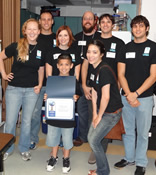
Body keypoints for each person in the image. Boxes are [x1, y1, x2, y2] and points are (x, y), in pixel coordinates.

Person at [114, 15, 156, 175]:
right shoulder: (125, 48)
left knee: (142, 133)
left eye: (141, 26)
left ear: (147, 28)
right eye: (135, 26)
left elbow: (153, 76)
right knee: (128, 131)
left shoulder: (155, 48)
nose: (138, 29)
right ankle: (129, 158)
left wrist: (136, 94)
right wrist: (129, 94)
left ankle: (141, 162)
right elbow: (121, 74)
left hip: (145, 98)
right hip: (126, 97)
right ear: (131, 29)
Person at [0, 18, 45, 161]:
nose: (32, 32)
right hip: (14, 90)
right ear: (25, 31)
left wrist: (40, 84)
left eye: (35, 29)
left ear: (39, 31)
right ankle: (7, 148)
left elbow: (41, 69)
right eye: (29, 29)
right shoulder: (17, 46)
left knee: (27, 121)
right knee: (11, 121)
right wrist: (4, 75)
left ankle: (24, 148)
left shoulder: (41, 48)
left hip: (32, 91)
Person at [87, 40, 123, 175]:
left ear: (102, 54)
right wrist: (95, 114)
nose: (91, 55)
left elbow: (106, 97)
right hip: (102, 111)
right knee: (92, 138)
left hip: (111, 112)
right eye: (89, 52)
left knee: (94, 141)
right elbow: (94, 92)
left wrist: (99, 116)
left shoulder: (105, 70)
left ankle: (103, 171)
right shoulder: (93, 68)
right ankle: (101, 169)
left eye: (95, 52)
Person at [45, 54, 81, 173]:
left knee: (67, 138)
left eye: (66, 64)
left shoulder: (74, 81)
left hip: (67, 117)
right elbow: (48, 96)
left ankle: (66, 158)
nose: (64, 67)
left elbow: (78, 94)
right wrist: (46, 97)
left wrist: (76, 97)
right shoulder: (52, 80)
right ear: (57, 66)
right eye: (61, 64)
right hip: (54, 115)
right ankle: (53, 157)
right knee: (53, 136)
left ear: (71, 66)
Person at [73, 11, 100, 149]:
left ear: (95, 21)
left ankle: (93, 137)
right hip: (81, 82)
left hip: (97, 82)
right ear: (82, 21)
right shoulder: (76, 38)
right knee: (82, 111)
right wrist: (83, 85)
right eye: (85, 19)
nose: (87, 21)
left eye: (90, 19)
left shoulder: (100, 38)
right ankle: (83, 136)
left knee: (94, 111)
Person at [29, 10, 56, 150]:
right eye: (43, 19)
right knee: (35, 113)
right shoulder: (34, 38)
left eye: (49, 19)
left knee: (57, 113)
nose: (46, 22)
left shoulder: (58, 37)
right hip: (37, 84)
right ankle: (33, 138)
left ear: (52, 22)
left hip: (55, 83)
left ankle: (57, 141)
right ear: (40, 22)